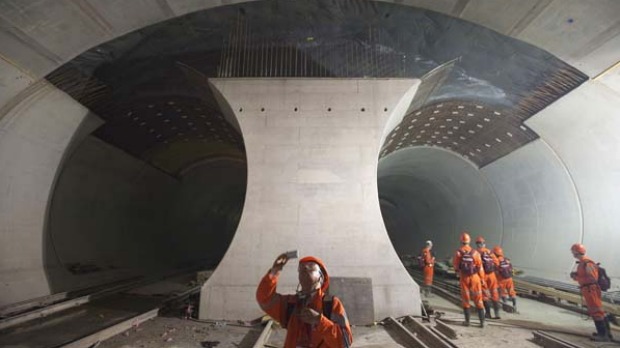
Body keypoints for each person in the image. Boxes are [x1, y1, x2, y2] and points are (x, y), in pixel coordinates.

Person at [256, 254, 353, 348]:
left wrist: (320, 321)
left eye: (311, 267)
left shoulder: (331, 304)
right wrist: (274, 271)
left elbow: (345, 342)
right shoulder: (291, 304)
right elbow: (265, 298)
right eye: (301, 270)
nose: (305, 268)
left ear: (321, 277)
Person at [569, 243, 612, 342]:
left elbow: (592, 278)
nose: (572, 254)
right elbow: (587, 276)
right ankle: (606, 334)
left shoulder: (587, 263)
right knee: (596, 311)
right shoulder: (582, 263)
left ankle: (603, 335)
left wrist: (576, 277)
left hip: (591, 290)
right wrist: (577, 275)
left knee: (596, 311)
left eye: (573, 252)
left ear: (576, 252)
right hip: (588, 289)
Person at [453, 232, 486, 327]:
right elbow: (480, 267)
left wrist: (458, 273)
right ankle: (482, 322)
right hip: (475, 277)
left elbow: (456, 266)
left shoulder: (458, 252)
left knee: (466, 299)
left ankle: (467, 321)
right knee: (478, 299)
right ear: (469, 241)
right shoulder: (475, 253)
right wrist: (482, 279)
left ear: (461, 241)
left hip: (464, 277)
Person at [475, 236, 501, 319]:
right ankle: (497, 314)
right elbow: (497, 263)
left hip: (483, 275)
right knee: (494, 293)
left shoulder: (475, 252)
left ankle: (488, 314)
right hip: (492, 275)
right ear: (484, 244)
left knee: (484, 295)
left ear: (477, 244)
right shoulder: (490, 252)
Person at [492, 246, 517, 311]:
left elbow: (496, 271)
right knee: (511, 292)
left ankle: (505, 305)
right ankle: (515, 306)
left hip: (501, 280)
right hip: (509, 278)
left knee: (503, 293)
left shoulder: (496, 261)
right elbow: (511, 269)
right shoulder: (506, 259)